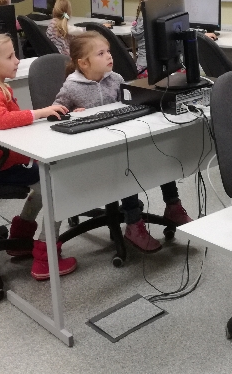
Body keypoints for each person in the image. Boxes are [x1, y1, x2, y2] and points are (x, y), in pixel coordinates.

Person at [53, 32, 193, 252]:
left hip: (120, 140)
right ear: (83, 63)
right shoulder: (72, 87)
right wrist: (71, 113)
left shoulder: (116, 79)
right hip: (92, 151)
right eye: (101, 53)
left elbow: (126, 104)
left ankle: (173, 205)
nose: (109, 56)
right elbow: (56, 111)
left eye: (108, 51)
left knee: (161, 152)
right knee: (128, 166)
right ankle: (133, 223)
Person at [0, 32, 77, 280]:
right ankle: (45, 259)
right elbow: (2, 120)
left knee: (43, 183)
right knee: (55, 187)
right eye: (10, 57)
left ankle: (20, 239)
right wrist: (40, 112)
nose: (17, 61)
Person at [132, 0, 216, 77]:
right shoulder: (154, 24)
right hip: (151, 71)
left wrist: (201, 34)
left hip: (142, 68)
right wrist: (202, 35)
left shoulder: (140, 22)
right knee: (194, 74)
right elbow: (178, 33)